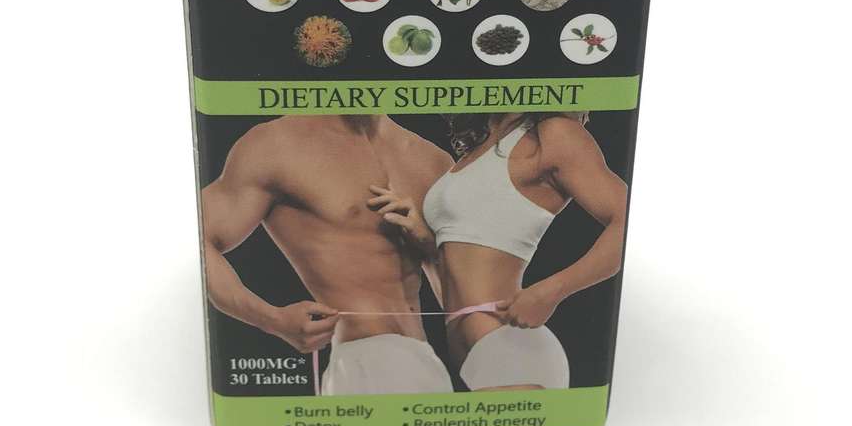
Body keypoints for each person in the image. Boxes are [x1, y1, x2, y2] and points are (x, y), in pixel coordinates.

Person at [367, 112, 627, 391]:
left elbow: (629, 221)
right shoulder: (479, 147)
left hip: (512, 348)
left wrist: (550, 292)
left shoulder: (551, 133)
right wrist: (428, 245)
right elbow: (457, 294)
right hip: (473, 359)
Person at [202, 114, 454, 395]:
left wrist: (429, 244)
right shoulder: (278, 144)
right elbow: (197, 236)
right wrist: (271, 319)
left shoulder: (433, 161)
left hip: (428, 361)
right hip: (363, 361)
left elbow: (462, 303)